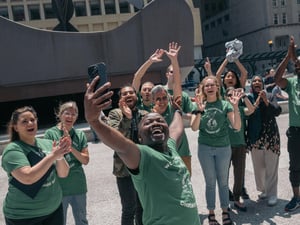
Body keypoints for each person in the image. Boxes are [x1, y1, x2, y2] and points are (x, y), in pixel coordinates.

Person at [84, 77, 201, 225]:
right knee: (129, 209)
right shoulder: (143, 155)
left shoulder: (170, 146)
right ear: (140, 137)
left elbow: (176, 128)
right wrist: (94, 121)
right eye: (148, 122)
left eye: (159, 120)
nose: (155, 123)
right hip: (126, 175)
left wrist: (177, 110)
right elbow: (122, 145)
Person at [1, 106, 70, 225]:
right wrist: (53, 155)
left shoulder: (48, 144)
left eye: (33, 120)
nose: (30, 123)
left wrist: (59, 156)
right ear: (15, 127)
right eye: (24, 121)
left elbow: (63, 174)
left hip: (54, 211)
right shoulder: (13, 150)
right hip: (24, 217)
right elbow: (27, 178)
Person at [190, 75, 241, 225]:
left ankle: (225, 211)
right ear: (203, 89)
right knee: (210, 182)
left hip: (223, 148)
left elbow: (236, 126)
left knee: (223, 182)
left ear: (218, 87)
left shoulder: (226, 105)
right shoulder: (199, 105)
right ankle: (211, 213)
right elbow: (194, 128)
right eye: (207, 85)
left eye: (213, 85)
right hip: (205, 148)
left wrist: (236, 107)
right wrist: (199, 111)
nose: (210, 87)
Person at [44, 101, 89, 225]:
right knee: (59, 221)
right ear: (60, 114)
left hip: (78, 186)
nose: (70, 116)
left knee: (82, 220)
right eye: (67, 113)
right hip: (59, 188)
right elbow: (48, 160)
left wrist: (71, 147)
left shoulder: (79, 134)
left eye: (73, 114)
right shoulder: (50, 134)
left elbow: (85, 160)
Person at [107, 85, 147, 225]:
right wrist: (126, 118)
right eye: (125, 93)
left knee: (143, 207)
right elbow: (115, 139)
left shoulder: (144, 115)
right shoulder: (114, 114)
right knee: (129, 208)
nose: (129, 95)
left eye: (131, 92)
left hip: (143, 169)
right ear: (120, 99)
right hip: (124, 170)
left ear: (136, 96)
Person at [245, 75, 281, 207]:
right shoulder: (249, 98)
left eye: (259, 81)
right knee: (259, 169)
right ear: (251, 85)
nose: (256, 83)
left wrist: (266, 101)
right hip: (256, 138)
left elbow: (277, 111)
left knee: (271, 168)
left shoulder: (270, 96)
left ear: (263, 84)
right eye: (254, 81)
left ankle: (272, 194)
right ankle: (264, 190)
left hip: (271, 137)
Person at [274, 35, 300, 212]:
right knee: (295, 166)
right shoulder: (292, 83)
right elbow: (277, 79)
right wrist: (288, 57)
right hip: (296, 131)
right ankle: (297, 197)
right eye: (297, 65)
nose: (298, 66)